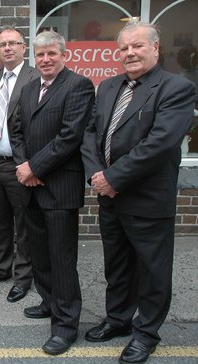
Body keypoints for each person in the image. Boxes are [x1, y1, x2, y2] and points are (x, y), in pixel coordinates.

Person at [81, 20, 196, 364]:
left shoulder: (176, 88)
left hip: (146, 198)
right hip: (109, 197)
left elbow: (159, 144)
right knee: (116, 265)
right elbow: (90, 134)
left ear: (155, 48)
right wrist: (96, 176)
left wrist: (113, 177)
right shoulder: (108, 87)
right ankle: (118, 319)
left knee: (152, 269)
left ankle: (146, 333)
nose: (129, 53)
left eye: (137, 46)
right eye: (123, 48)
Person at [11, 30, 95, 355]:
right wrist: (24, 167)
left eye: (52, 54)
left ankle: (65, 326)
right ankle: (49, 302)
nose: (45, 60)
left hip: (59, 188)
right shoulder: (31, 88)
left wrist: (34, 168)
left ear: (64, 55)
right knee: (40, 256)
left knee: (61, 260)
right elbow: (16, 130)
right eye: (41, 54)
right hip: (30, 186)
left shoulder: (78, 86)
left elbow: (69, 137)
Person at [0, 27, 38, 303]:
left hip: (20, 165)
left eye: (14, 43)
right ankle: (0, 268)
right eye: (3, 44)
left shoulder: (35, 78)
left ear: (23, 48)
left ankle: (23, 277)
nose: (8, 48)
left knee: (24, 223)